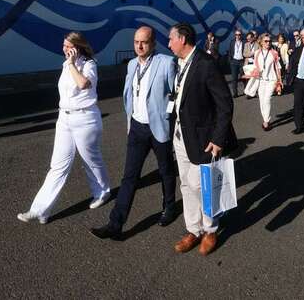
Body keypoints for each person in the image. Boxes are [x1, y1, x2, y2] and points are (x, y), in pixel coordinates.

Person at [91, 26, 178, 239]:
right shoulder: (131, 65)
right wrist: (130, 120)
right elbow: (129, 94)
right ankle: (115, 223)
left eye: (144, 42)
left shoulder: (166, 62)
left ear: (153, 43)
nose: (139, 46)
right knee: (129, 176)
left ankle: (169, 207)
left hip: (159, 127)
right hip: (137, 128)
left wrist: (170, 121)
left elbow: (174, 96)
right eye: (136, 42)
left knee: (166, 171)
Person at [17, 32, 111, 223]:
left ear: (77, 47)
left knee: (90, 160)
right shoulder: (66, 64)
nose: (64, 49)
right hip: (65, 118)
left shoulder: (89, 64)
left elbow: (84, 84)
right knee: (58, 165)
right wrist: (69, 64)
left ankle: (102, 192)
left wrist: (72, 65)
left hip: (85, 118)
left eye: (68, 46)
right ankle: (40, 210)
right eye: (63, 45)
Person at [168, 23, 234, 256]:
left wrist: (218, 138)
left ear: (183, 39)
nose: (169, 44)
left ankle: (211, 229)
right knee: (185, 184)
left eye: (171, 39)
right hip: (180, 135)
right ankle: (193, 230)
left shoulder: (206, 64)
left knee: (202, 185)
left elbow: (225, 104)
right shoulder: (180, 63)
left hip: (204, 138)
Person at [254, 33, 283, 131]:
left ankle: (266, 121)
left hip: (272, 80)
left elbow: (278, 68)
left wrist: (279, 81)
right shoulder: (257, 53)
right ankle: (265, 119)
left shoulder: (274, 53)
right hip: (261, 80)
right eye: (266, 41)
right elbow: (255, 67)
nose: (268, 43)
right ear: (261, 42)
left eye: (269, 41)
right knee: (261, 100)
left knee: (267, 99)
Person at [228, 30, 245, 97]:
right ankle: (235, 93)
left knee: (243, 77)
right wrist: (230, 61)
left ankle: (246, 91)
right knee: (234, 78)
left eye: (239, 34)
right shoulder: (232, 42)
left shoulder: (244, 42)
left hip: (242, 61)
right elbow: (230, 51)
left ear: (241, 35)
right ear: (235, 35)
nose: (238, 36)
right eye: (236, 34)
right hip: (234, 62)